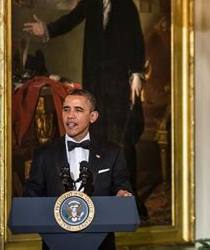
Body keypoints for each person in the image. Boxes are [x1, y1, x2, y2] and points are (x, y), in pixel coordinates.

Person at [23, 0, 146, 216]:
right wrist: (47, 30)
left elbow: (137, 42)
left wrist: (137, 74)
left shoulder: (126, 6)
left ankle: (129, 199)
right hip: (95, 84)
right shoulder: (91, 1)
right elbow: (70, 20)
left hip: (119, 84)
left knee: (122, 140)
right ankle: (94, 198)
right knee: (97, 138)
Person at [24, 89, 133, 250]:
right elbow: (31, 196)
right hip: (56, 243)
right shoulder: (43, 154)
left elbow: (122, 186)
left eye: (78, 110)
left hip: (101, 243)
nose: (70, 115)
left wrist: (122, 193)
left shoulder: (113, 152)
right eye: (66, 109)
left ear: (93, 117)